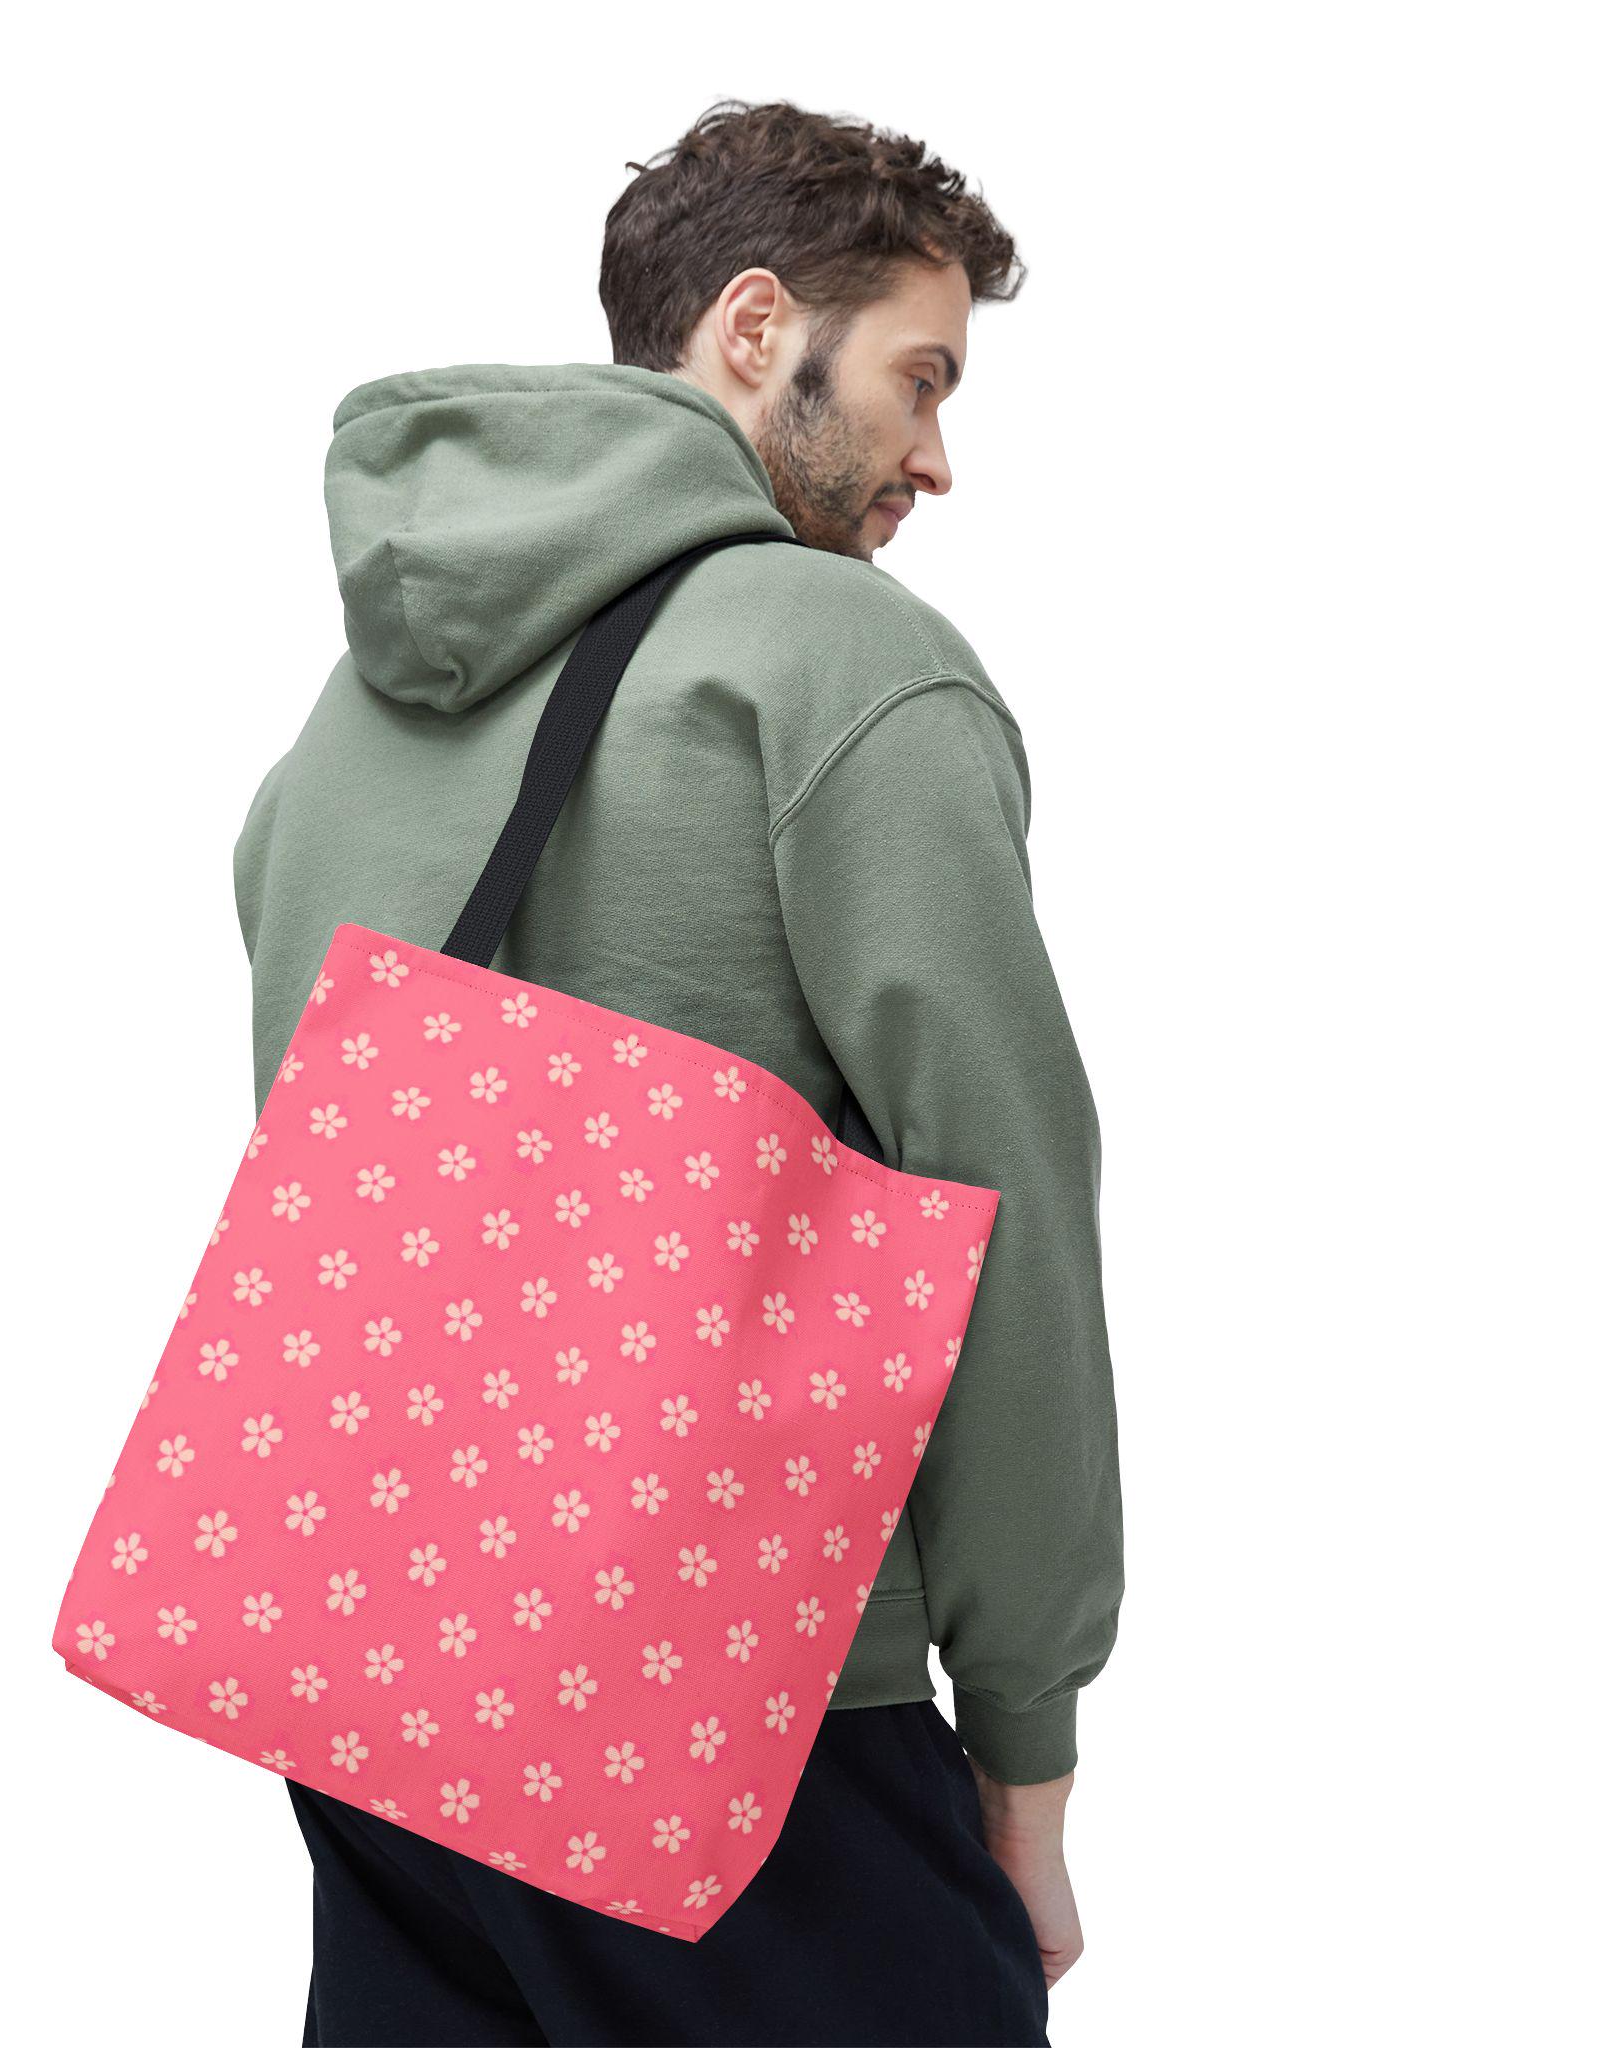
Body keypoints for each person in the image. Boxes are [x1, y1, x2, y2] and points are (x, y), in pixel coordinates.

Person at [232, 98, 1122, 2048]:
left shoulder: (357, 704)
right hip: (749, 1708)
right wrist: (1028, 1742)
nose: (937, 455)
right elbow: (1008, 1221)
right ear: (751, 326)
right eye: (917, 377)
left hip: (374, 1676)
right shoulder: (837, 659)